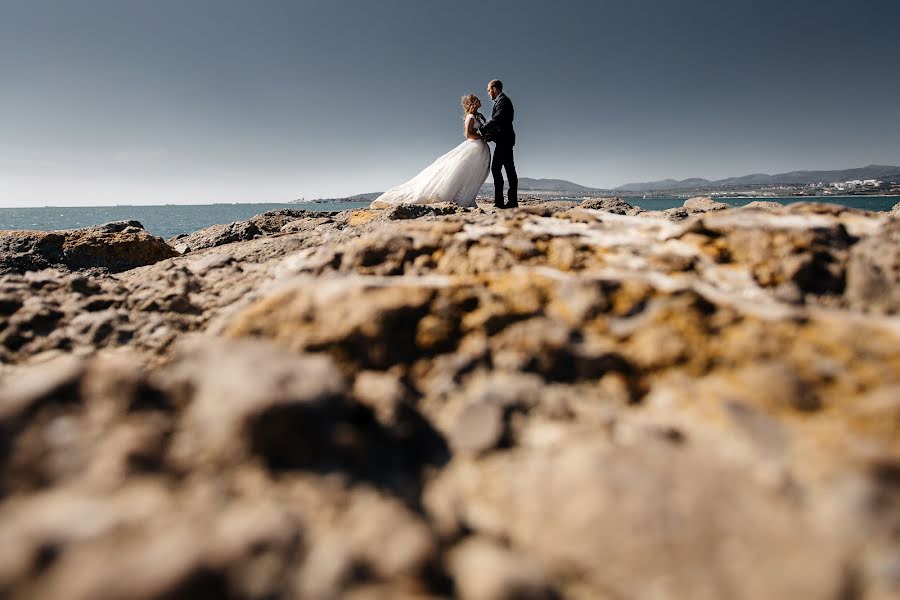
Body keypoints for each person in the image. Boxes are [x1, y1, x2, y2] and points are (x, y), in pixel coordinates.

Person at [370, 94, 490, 208]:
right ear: (473, 103)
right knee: (460, 172)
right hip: (473, 147)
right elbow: (468, 134)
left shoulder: (478, 116)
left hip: (479, 147)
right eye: (477, 99)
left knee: (470, 174)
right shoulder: (470, 117)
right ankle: (455, 198)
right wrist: (482, 137)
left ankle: (466, 198)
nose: (480, 100)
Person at [479, 79, 518, 209]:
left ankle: (501, 202)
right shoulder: (501, 101)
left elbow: (497, 120)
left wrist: (484, 128)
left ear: (495, 89)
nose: (489, 93)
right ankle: (511, 202)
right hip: (504, 140)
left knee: (498, 169)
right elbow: (500, 124)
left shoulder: (503, 101)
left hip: (504, 141)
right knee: (509, 170)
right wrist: (490, 136)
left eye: (489, 90)